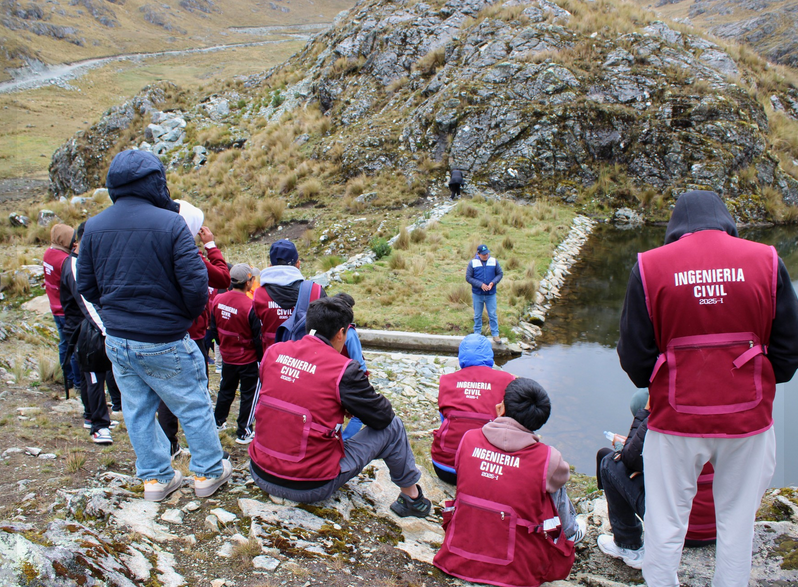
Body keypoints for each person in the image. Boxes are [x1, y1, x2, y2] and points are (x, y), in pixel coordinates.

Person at [617, 190, 798, 586]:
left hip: (675, 420)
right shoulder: (767, 260)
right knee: (737, 524)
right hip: (748, 419)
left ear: (675, 226)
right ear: (725, 219)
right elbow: (789, 348)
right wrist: (760, 378)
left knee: (665, 522)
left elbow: (634, 356)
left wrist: (662, 379)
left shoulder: (649, 266)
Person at [78, 149, 232, 502]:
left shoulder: (95, 226)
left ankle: (156, 479)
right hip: (165, 337)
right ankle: (208, 472)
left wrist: (115, 312)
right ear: (156, 182)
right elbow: (196, 287)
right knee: (192, 404)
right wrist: (180, 318)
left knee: (137, 410)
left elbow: (86, 285)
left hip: (118, 340)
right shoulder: (171, 224)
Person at [249, 296, 432, 517]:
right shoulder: (343, 370)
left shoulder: (274, 352)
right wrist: (351, 403)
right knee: (394, 427)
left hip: (260, 471)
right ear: (341, 333)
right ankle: (412, 498)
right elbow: (382, 417)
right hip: (308, 485)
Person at [433, 377, 584, 587]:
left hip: (459, 555)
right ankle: (571, 532)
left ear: (501, 407)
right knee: (552, 486)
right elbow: (562, 477)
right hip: (516, 570)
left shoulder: (468, 439)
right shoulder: (549, 458)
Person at [595, 390, 716, 571]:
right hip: (718, 525)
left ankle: (629, 547)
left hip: (679, 527)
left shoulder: (667, 411)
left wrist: (646, 412)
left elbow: (630, 459)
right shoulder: (726, 411)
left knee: (608, 462)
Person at [158, 200, 231, 457]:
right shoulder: (190, 255)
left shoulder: (158, 249)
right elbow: (223, 277)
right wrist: (210, 246)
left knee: (165, 388)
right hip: (193, 332)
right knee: (197, 391)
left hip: (164, 330)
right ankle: (206, 453)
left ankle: (169, 444)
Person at [430, 333, 515, 484]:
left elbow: (444, 418)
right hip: (483, 470)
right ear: (489, 355)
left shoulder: (446, 380)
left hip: (444, 466)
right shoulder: (507, 380)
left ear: (461, 356)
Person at [60, 221, 114, 444]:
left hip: (87, 329)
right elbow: (87, 303)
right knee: (94, 376)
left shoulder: (81, 262)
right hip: (85, 331)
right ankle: (99, 426)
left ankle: (91, 416)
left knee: (89, 376)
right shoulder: (74, 266)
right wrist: (106, 330)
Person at [209, 263, 262, 445]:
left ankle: (218, 422)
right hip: (247, 359)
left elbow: (214, 329)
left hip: (228, 356)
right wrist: (261, 359)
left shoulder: (218, 299)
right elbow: (257, 338)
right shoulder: (251, 306)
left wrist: (223, 345)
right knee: (249, 395)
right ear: (248, 282)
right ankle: (244, 431)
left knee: (226, 389)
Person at [253, 239, 325, 355]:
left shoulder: (258, 294)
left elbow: (255, 330)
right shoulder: (316, 291)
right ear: (298, 264)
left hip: (272, 359)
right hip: (307, 360)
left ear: (270, 266)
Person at [43, 223, 76, 390]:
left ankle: (67, 378)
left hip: (55, 308)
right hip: (66, 310)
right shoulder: (64, 260)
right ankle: (77, 381)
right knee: (75, 347)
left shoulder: (48, 253)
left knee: (64, 344)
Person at [332, 292, 368, 441]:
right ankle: (345, 440)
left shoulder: (326, 328)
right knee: (360, 413)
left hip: (330, 376)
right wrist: (364, 378)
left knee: (334, 410)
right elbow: (357, 360)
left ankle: (335, 437)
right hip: (347, 377)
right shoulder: (349, 332)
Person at [466, 244, 503, 343]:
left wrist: (493, 283)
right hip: (477, 294)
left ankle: (495, 335)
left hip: (491, 294)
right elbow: (468, 277)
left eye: (487, 253)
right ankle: (477, 334)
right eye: (483, 254)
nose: (486, 255)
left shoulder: (494, 261)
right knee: (477, 315)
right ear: (478, 254)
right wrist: (480, 285)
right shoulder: (473, 263)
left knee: (492, 315)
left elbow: (500, 274)